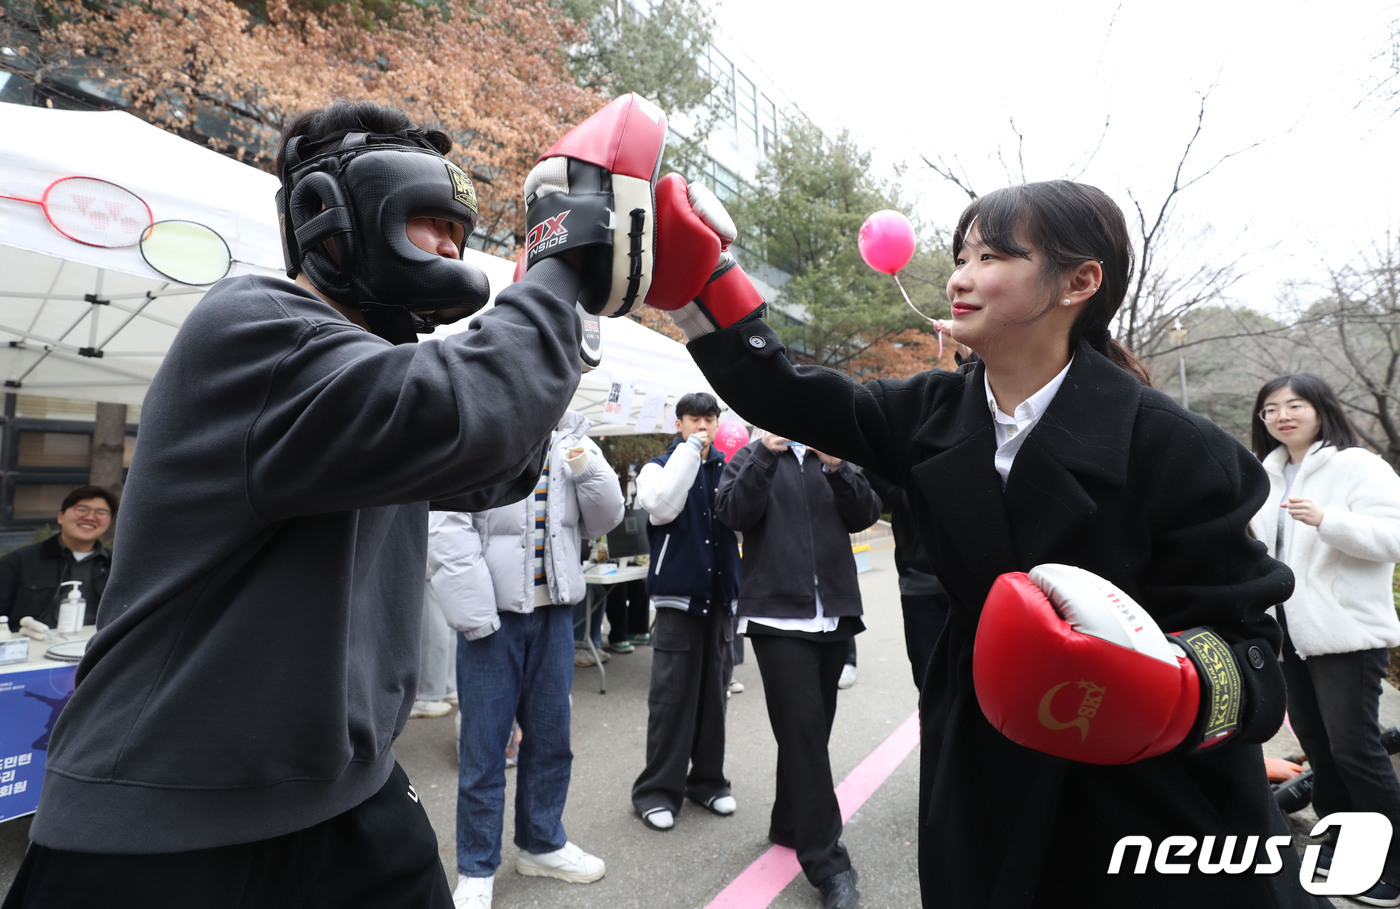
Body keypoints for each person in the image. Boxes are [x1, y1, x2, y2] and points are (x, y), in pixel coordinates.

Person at [1, 94, 688, 908]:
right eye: (431, 217)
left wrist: (571, 306)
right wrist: (561, 254)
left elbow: (492, 467)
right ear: (334, 212)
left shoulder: (371, 378)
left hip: (346, 793)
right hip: (166, 814)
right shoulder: (251, 323)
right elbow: (466, 413)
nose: (450, 243)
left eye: (459, 229)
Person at [641, 177, 1323, 906]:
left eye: (992, 256)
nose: (959, 278)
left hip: (1145, 795)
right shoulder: (925, 414)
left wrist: (1171, 687)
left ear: (1079, 281)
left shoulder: (1182, 450)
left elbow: (1253, 659)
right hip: (980, 757)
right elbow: (786, 390)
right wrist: (699, 279)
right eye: (959, 256)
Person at [450, 408, 622, 909]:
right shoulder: (484, 433)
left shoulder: (574, 438)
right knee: (484, 748)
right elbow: (446, 524)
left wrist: (586, 464)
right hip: (494, 619)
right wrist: (476, 612)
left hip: (555, 616)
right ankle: (477, 866)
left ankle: (542, 842)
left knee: (551, 740)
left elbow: (606, 517)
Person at [1248, 373, 1400, 906]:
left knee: (1355, 750)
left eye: (1295, 405)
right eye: (1270, 409)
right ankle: (1339, 848)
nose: (1282, 416)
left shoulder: (1356, 465)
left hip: (1346, 634)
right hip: (1288, 633)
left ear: (1320, 408)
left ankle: (1395, 863)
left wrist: (1329, 520)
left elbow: (1394, 538)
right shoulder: (1265, 474)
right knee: (1320, 750)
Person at [715, 430, 881, 909]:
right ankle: (828, 864)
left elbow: (866, 513)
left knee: (810, 731)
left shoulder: (832, 458)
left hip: (832, 614)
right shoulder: (750, 456)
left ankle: (788, 822)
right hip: (775, 617)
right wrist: (765, 454)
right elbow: (733, 513)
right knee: (805, 731)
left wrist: (838, 466)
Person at [630, 391, 742, 833]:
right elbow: (661, 507)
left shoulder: (730, 468)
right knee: (671, 699)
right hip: (678, 599)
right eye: (694, 419)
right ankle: (656, 791)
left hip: (720, 600)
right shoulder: (656, 468)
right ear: (678, 424)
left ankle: (708, 782)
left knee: (715, 697)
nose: (703, 427)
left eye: (710, 419)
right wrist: (689, 454)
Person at [863, 473, 949, 693]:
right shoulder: (900, 444)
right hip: (921, 585)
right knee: (929, 684)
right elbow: (873, 500)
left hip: (977, 585)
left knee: (980, 686)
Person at [0, 486, 118, 632]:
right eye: (82, 509)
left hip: (94, 649)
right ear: (61, 517)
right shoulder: (20, 561)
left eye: (101, 512)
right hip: (32, 648)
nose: (90, 517)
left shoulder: (116, 566)